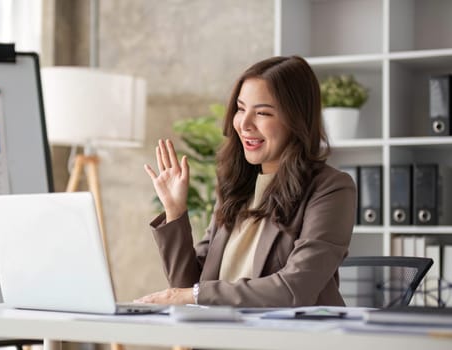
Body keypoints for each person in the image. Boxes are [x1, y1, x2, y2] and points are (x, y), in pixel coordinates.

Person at [135, 55, 356, 307]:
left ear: (297, 120)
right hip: (223, 337)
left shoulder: (331, 189)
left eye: (262, 112)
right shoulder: (237, 187)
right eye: (240, 109)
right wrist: (175, 211)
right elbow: (189, 286)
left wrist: (192, 295)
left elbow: (294, 289)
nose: (244, 124)